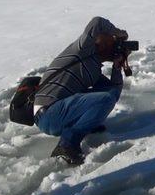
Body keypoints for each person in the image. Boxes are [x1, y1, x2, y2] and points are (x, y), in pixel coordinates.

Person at [34, 17, 130, 164]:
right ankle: (67, 144)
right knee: (105, 99)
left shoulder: (94, 69)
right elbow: (97, 22)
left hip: (60, 112)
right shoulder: (81, 49)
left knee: (108, 96)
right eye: (113, 44)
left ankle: (85, 127)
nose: (115, 48)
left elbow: (113, 91)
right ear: (102, 43)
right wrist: (118, 33)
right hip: (48, 113)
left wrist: (117, 67)